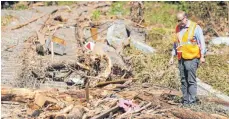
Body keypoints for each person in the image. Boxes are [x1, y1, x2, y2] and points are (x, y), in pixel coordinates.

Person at [169, 11, 206, 105]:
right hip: (181, 57)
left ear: (185, 17)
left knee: (191, 80)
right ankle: (185, 101)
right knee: (183, 80)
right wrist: (172, 56)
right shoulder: (178, 28)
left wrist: (202, 56)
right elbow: (176, 44)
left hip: (192, 57)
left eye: (181, 20)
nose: (179, 22)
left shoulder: (195, 27)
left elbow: (201, 42)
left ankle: (192, 102)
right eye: (178, 20)